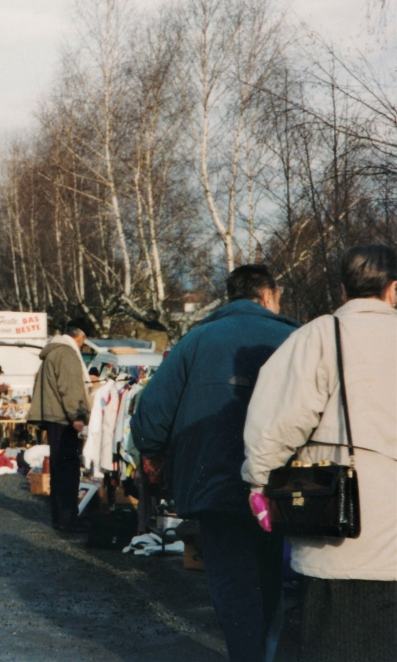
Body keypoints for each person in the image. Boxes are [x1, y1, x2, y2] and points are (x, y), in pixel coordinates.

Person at [131, 265, 299, 662]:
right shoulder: (296, 337)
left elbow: (151, 413)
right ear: (268, 295)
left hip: (214, 480)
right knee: (270, 574)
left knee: (232, 581)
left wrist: (153, 453)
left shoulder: (196, 339)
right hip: (280, 480)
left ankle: (247, 653)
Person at [243, 245, 397, 662]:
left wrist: (259, 482)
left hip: (341, 536)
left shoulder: (317, 337)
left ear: (344, 289)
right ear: (393, 290)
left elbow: (275, 425)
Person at [30, 325, 92, 531]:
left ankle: (60, 518)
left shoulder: (53, 351)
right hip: (64, 418)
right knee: (68, 470)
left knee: (59, 469)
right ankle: (68, 519)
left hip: (54, 416)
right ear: (80, 337)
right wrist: (77, 415)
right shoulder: (66, 353)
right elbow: (70, 387)